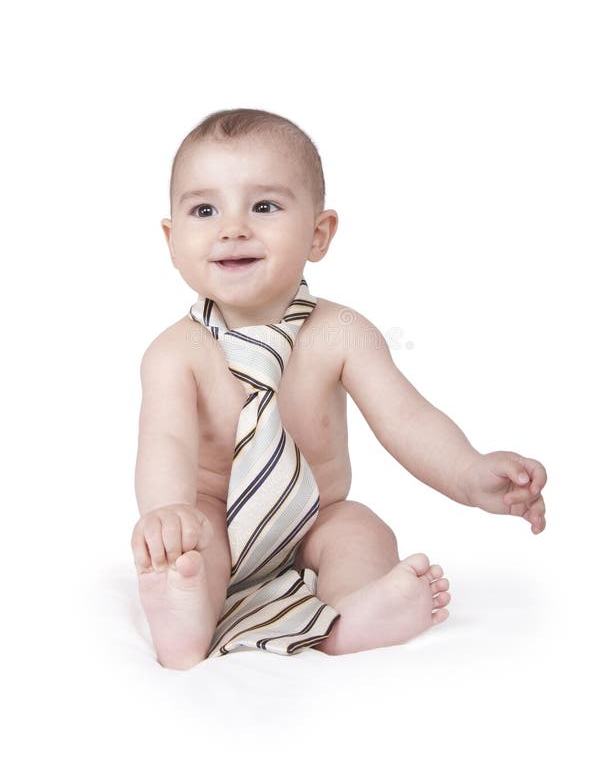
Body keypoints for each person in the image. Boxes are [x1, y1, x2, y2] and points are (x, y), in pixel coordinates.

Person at [131, 108, 547, 669]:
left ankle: (351, 615)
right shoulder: (173, 353)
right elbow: (167, 444)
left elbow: (407, 419)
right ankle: (184, 620)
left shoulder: (342, 333)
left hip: (313, 519)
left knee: (362, 528)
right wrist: (169, 511)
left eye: (265, 206)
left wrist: (470, 474)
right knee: (192, 545)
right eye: (205, 209)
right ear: (172, 239)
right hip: (215, 515)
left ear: (319, 234)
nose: (233, 227)